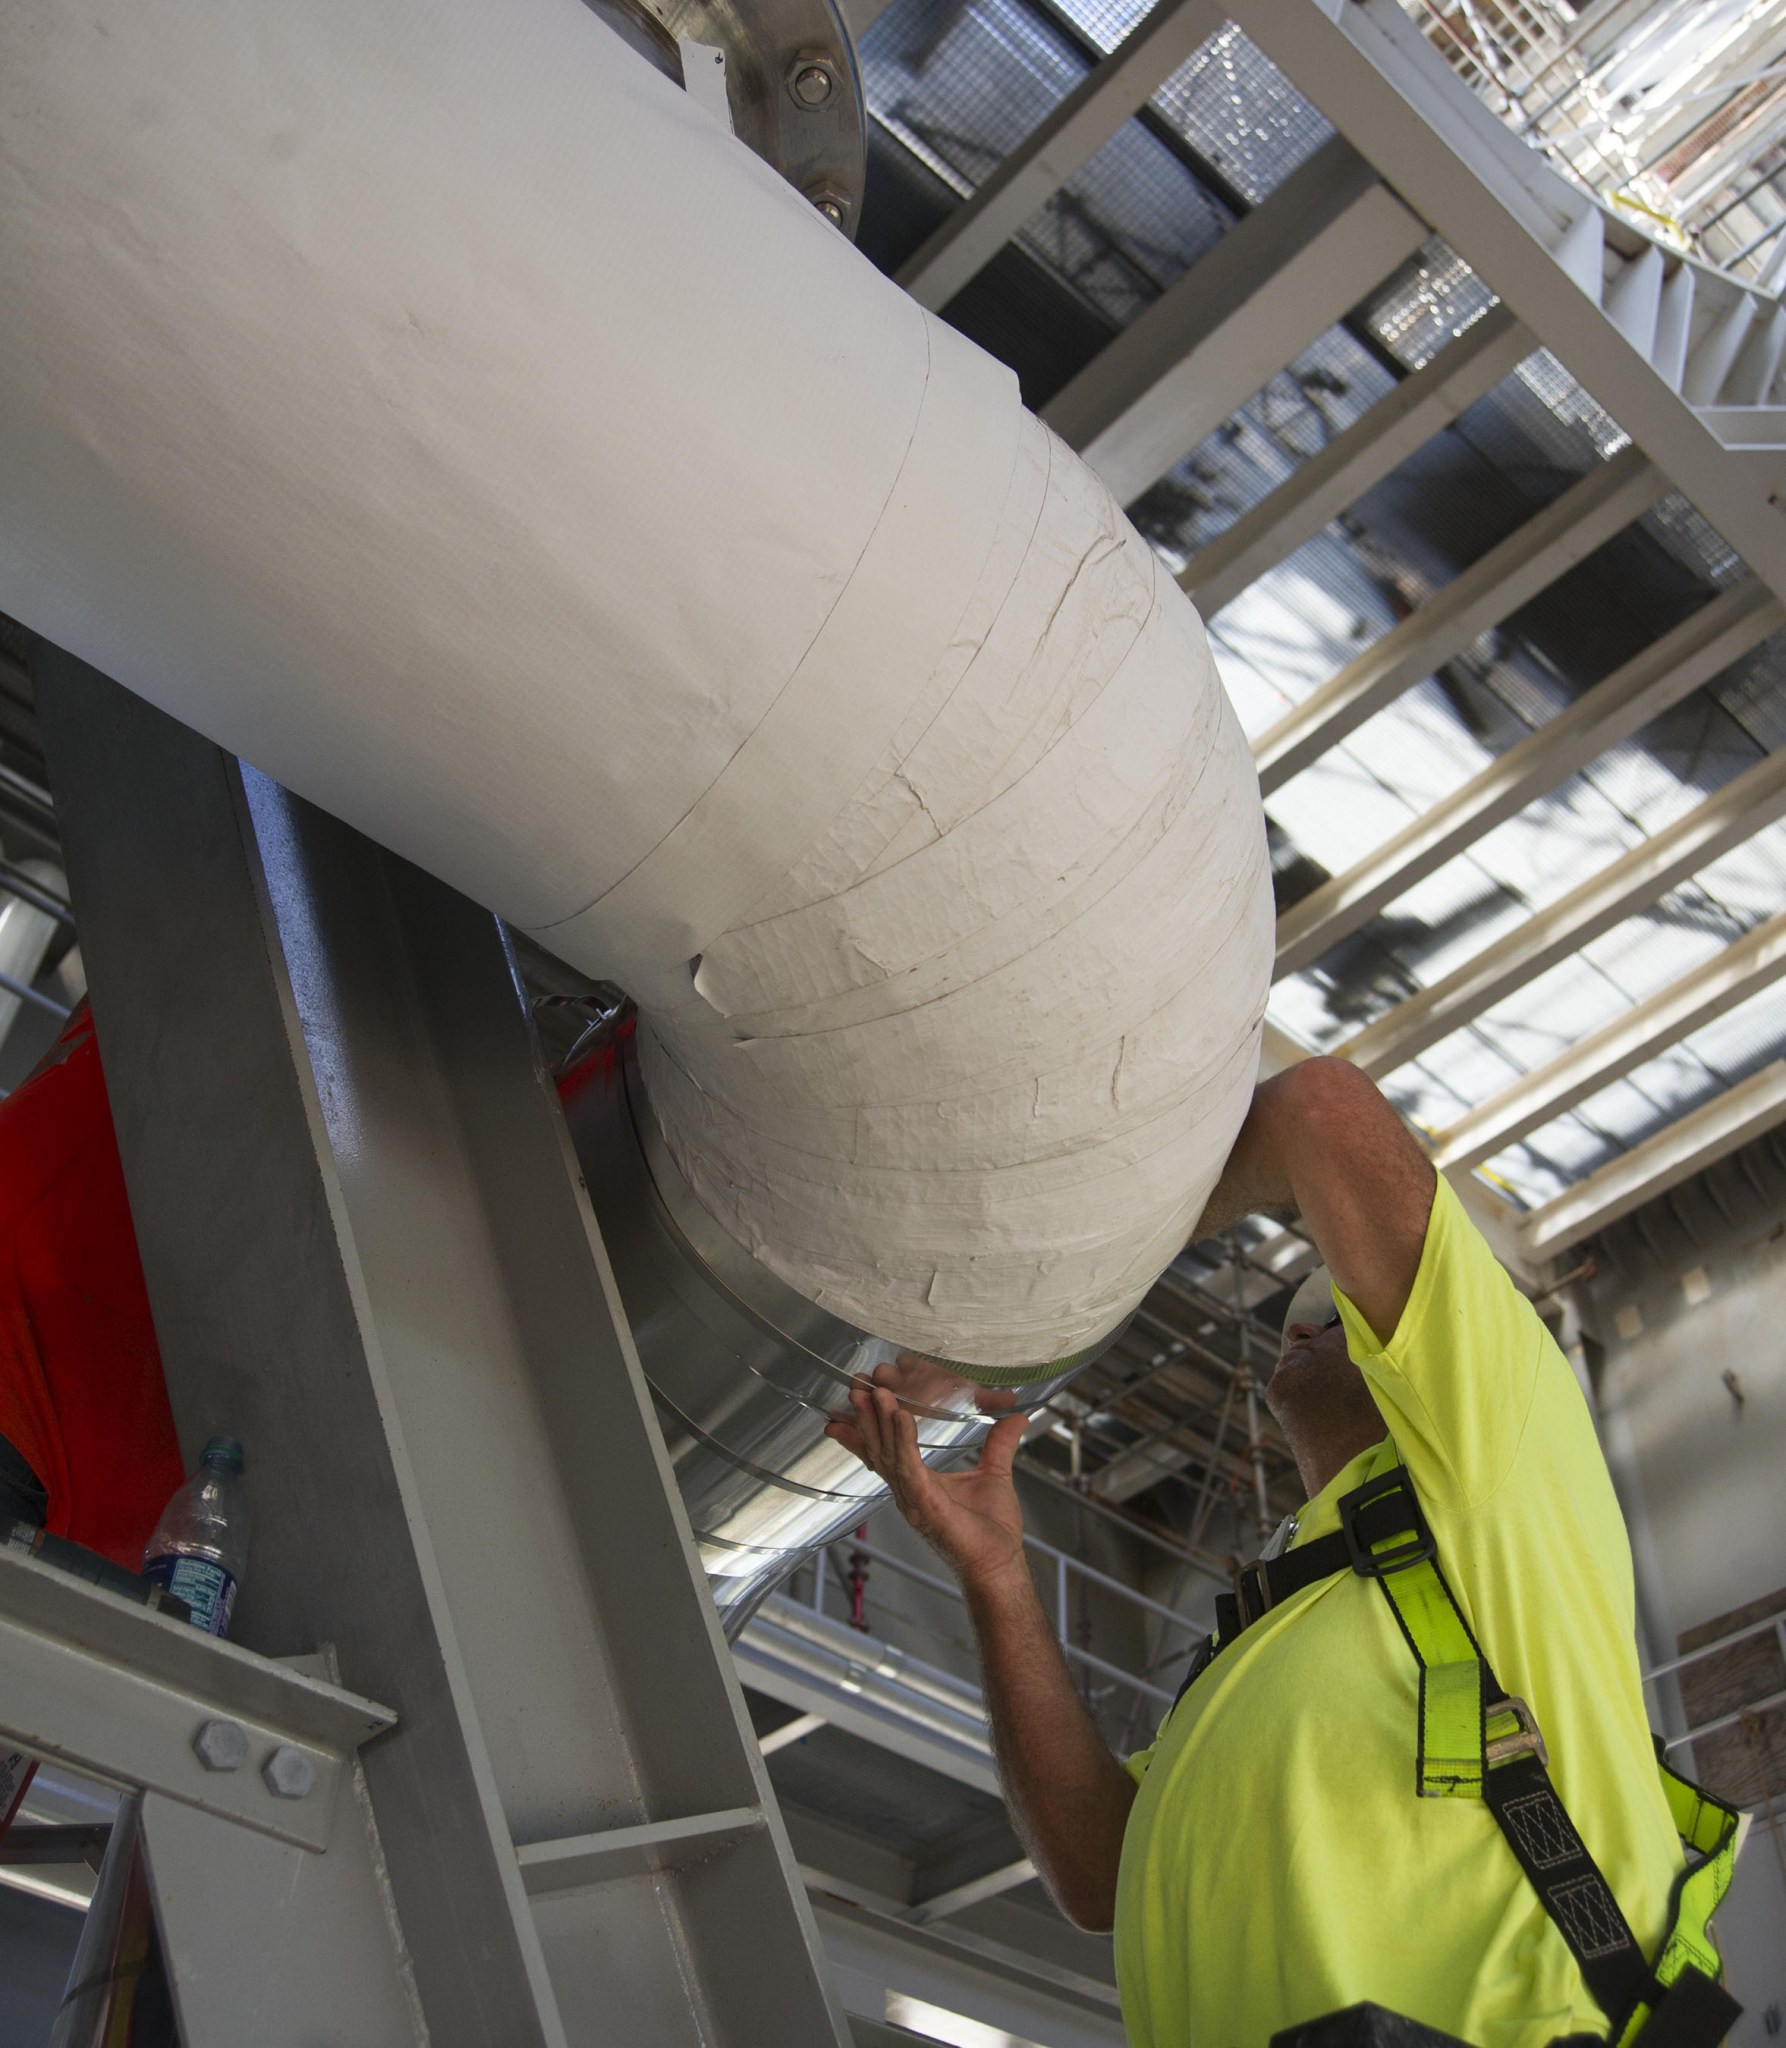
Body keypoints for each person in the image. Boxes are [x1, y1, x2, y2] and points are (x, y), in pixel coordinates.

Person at [826, 1056, 1709, 2048]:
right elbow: (1106, 1867)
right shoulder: (1286, 1618)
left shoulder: (1500, 1445)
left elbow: (1316, 1111)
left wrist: (1023, 1313)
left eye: (1349, 1304)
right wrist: (994, 1575)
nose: (1311, 1311)